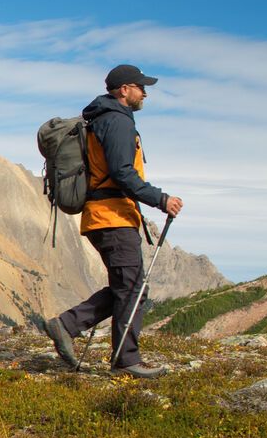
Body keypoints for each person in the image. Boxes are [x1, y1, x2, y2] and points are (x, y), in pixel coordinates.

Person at [45, 63, 184, 377]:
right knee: (131, 288)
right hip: (112, 216)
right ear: (124, 90)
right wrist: (161, 199)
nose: (145, 92)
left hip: (105, 216)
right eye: (140, 87)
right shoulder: (117, 121)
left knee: (129, 287)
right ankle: (123, 359)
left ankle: (69, 326)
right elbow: (123, 173)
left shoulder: (103, 119)